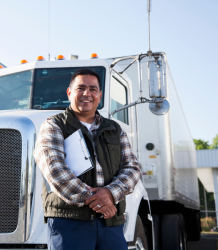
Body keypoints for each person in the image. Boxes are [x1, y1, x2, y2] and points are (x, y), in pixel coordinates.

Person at [33, 68, 141, 250]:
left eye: (92, 89)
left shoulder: (115, 129)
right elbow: (55, 170)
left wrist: (109, 194)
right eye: (80, 88)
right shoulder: (54, 125)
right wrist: (99, 201)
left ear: (99, 95)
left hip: (110, 223)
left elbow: (132, 168)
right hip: (70, 223)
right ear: (69, 92)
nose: (86, 93)